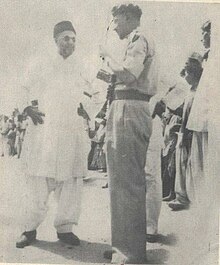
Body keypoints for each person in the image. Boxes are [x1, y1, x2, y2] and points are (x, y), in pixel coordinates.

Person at [16, 21, 88, 248]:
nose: (70, 43)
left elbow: (94, 93)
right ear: (56, 40)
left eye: (74, 39)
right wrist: (26, 108)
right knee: (38, 182)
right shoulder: (40, 63)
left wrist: (87, 107)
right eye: (66, 38)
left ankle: (65, 228)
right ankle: (29, 229)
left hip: (71, 131)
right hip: (44, 131)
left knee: (70, 183)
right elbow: (22, 88)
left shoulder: (83, 66)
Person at [99, 4, 158, 263]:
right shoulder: (132, 41)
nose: (114, 25)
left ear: (129, 17)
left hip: (130, 108)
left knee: (129, 182)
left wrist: (107, 56)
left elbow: (129, 73)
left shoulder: (138, 38)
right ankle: (122, 246)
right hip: (123, 106)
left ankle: (131, 253)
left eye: (116, 20)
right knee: (119, 181)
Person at [168, 52, 203, 210]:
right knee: (181, 164)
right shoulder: (190, 92)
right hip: (184, 131)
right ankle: (181, 195)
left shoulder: (198, 93)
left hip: (189, 132)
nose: (185, 76)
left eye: (187, 72)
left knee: (189, 165)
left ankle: (186, 197)